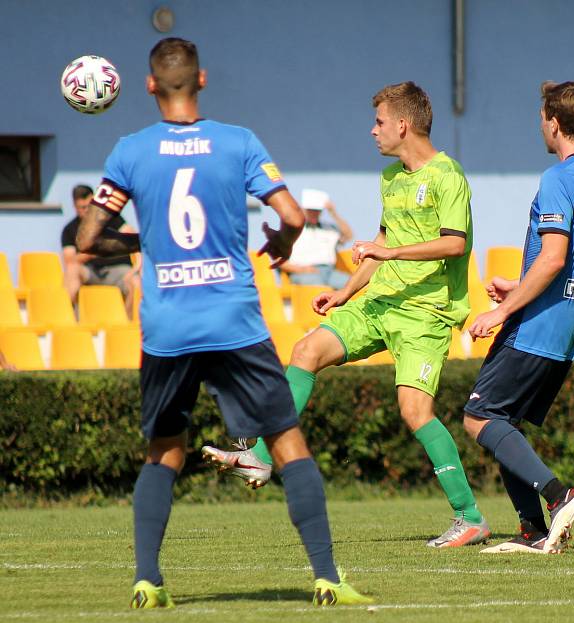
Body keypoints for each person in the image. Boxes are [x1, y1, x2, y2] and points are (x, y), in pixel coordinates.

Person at [76, 37, 370, 608]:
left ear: (149, 86)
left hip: (168, 327)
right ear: (202, 80)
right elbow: (288, 216)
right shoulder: (237, 142)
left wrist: (144, 236)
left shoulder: (130, 151)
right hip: (234, 320)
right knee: (288, 442)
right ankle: (328, 578)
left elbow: (88, 239)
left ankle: (148, 581)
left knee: (165, 451)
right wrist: (281, 243)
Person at [203, 81, 491, 548]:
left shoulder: (447, 175)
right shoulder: (391, 178)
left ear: (403, 124)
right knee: (306, 349)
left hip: (427, 311)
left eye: (379, 122)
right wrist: (344, 293)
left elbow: (454, 243)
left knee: (415, 412)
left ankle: (470, 516)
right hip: (379, 303)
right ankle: (259, 454)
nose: (372, 131)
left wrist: (389, 253)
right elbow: (379, 251)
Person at [461, 81, 574, 554]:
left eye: (541, 117)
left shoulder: (558, 178)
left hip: (537, 324)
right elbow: (565, 262)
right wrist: (517, 285)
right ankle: (532, 530)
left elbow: (552, 256)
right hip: (569, 321)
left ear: (555, 122)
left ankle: (558, 494)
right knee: (506, 421)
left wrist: (503, 308)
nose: (540, 125)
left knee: (479, 416)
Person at [62, 184, 140, 315]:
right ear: (75, 207)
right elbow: (69, 260)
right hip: (91, 272)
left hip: (118, 269)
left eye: (90, 206)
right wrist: (91, 250)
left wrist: (136, 268)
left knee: (136, 282)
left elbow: (133, 240)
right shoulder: (69, 230)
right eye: (82, 207)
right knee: (72, 270)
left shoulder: (113, 220)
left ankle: (127, 325)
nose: (87, 210)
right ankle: (69, 320)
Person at [280, 189, 353, 289]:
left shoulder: (330, 229)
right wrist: (302, 269)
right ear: (304, 209)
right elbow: (278, 260)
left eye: (317, 211)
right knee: (318, 287)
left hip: (330, 272)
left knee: (353, 285)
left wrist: (333, 213)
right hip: (304, 272)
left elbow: (348, 235)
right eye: (311, 210)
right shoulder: (292, 229)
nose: (314, 213)